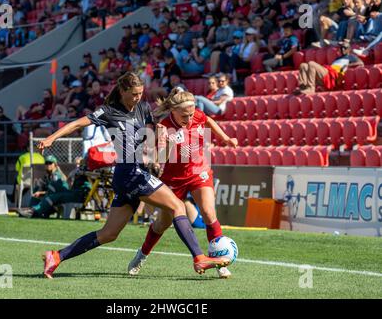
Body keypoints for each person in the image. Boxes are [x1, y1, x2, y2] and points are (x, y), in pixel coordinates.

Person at [36, 72, 231, 279]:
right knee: (178, 206)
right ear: (123, 91)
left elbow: (159, 118)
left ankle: (56, 256)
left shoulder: (143, 107)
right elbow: (77, 124)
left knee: (108, 234)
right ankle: (199, 257)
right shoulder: (108, 112)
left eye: (140, 93)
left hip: (133, 173)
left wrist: (168, 115)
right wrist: (51, 138)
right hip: (130, 173)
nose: (138, 97)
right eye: (134, 93)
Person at [127, 88, 238, 279]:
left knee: (209, 214)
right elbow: (161, 154)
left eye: (192, 114)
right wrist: (168, 146)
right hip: (173, 179)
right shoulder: (163, 126)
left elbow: (208, 120)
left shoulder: (197, 115)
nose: (189, 119)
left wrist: (225, 138)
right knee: (162, 223)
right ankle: (142, 254)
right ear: (173, 111)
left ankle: (219, 261)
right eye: (184, 116)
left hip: (198, 171)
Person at [18, 155, 90, 219]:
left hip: (75, 195)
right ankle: (32, 210)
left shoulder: (57, 175)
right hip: (68, 193)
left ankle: (35, 211)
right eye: (46, 163)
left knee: (51, 194)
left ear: (55, 164)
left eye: (50, 163)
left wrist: (42, 193)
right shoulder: (76, 172)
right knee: (38, 190)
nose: (48, 165)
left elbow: (85, 187)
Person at [294, 40, 364, 95]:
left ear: (349, 49)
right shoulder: (337, 59)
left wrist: (347, 66)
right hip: (328, 72)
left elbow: (361, 63)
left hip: (333, 76)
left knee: (311, 63)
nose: (342, 50)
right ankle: (303, 87)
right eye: (340, 48)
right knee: (303, 65)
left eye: (344, 48)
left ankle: (311, 88)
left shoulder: (351, 56)